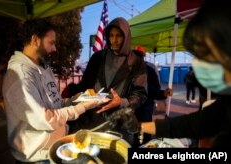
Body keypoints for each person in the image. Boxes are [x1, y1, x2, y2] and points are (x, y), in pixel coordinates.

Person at [2, 19, 107, 163]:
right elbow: (45, 118)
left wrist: (78, 99)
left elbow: (55, 104)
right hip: (35, 158)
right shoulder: (19, 75)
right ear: (35, 40)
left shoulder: (44, 68)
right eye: (51, 43)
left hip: (54, 148)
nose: (54, 48)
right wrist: (81, 107)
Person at [139, 0, 231, 148]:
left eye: (205, 52)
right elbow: (195, 123)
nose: (196, 62)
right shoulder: (226, 102)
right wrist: (141, 127)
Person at [66, 17, 148, 144]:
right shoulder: (97, 57)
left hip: (119, 122)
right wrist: (73, 92)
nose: (114, 40)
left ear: (126, 36)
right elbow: (85, 85)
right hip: (91, 119)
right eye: (111, 35)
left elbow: (140, 94)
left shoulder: (136, 61)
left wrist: (122, 101)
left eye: (119, 36)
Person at [132, 46, 173, 147]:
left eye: (139, 56)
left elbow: (155, 90)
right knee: (135, 134)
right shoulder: (129, 70)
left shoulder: (149, 70)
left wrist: (163, 94)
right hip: (132, 108)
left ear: (143, 57)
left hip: (145, 108)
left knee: (144, 135)